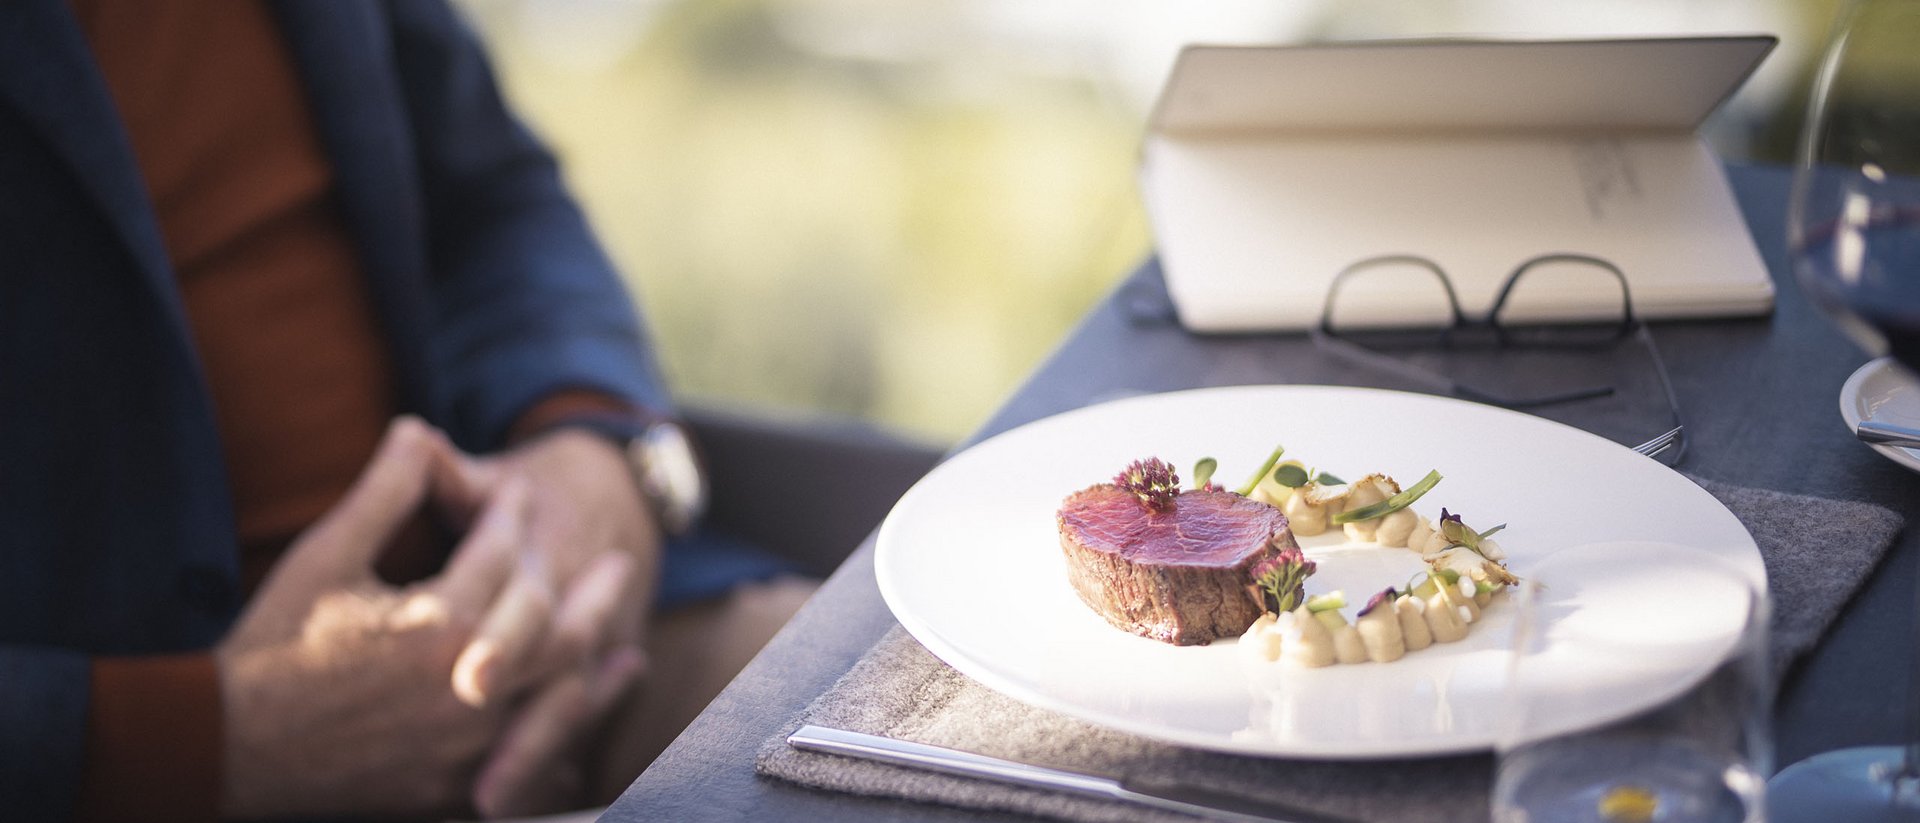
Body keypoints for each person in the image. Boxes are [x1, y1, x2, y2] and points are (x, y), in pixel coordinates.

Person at [0, 0, 810, 819]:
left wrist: (587, 439)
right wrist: (206, 740)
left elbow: (491, 198)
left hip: (535, 621)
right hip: (162, 768)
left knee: (876, 706)